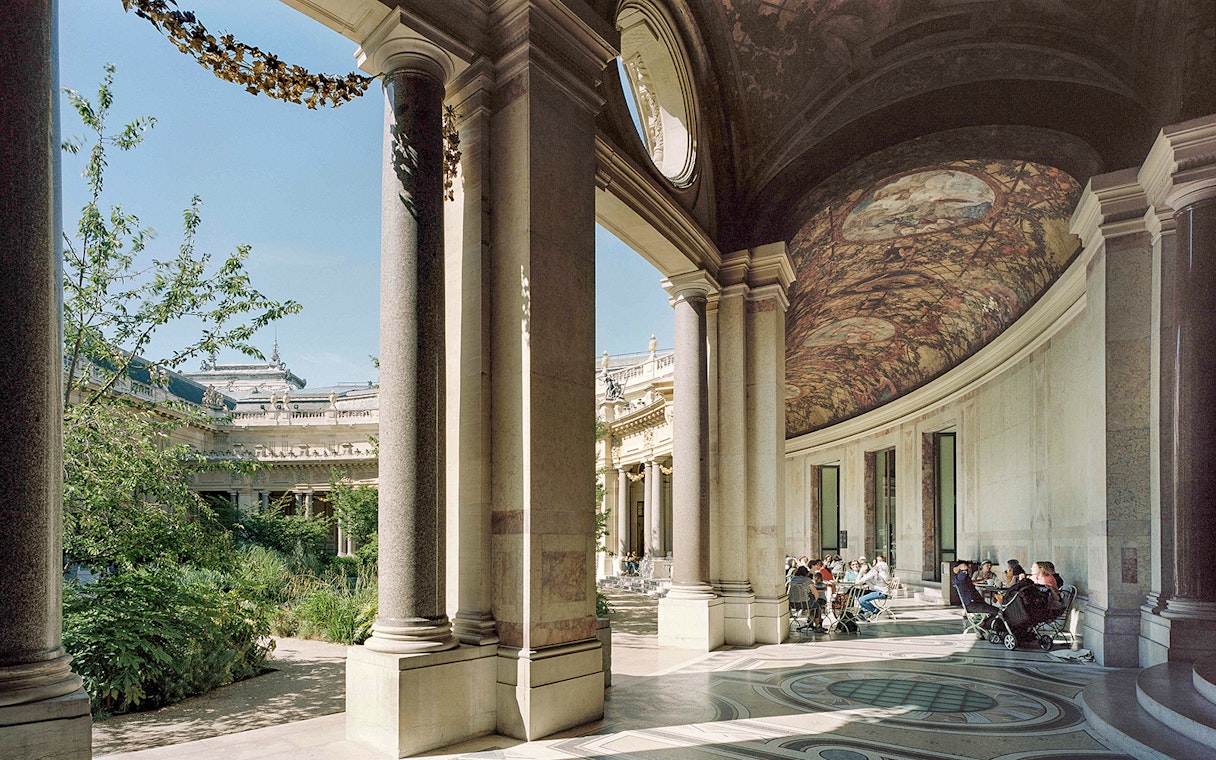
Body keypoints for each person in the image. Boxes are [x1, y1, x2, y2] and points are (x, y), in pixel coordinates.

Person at [855, 553, 890, 619]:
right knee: (857, 592)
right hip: (877, 590)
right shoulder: (870, 573)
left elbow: (857, 583)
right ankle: (865, 611)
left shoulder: (870, 574)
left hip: (882, 592)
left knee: (862, 599)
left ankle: (875, 610)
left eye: (863, 567)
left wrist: (860, 572)